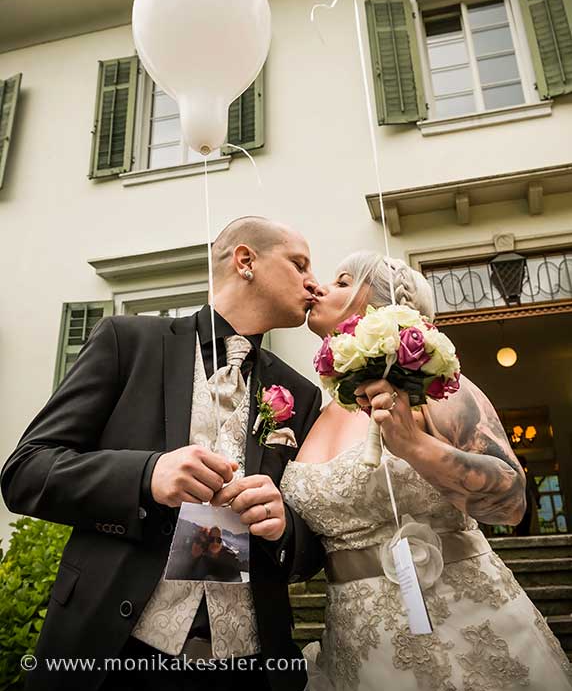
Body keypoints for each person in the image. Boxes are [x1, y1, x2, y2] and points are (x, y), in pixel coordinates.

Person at [1, 216, 325, 691]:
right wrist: (147, 475)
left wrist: (283, 528)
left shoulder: (298, 392)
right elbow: (25, 472)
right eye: (299, 264)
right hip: (113, 652)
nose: (313, 281)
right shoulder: (127, 343)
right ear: (245, 261)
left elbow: (312, 545)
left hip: (251, 666)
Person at [280, 251, 572, 691]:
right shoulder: (315, 412)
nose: (320, 287)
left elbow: (511, 503)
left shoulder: (431, 388)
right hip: (357, 638)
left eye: (341, 282)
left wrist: (415, 446)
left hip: (459, 622)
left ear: (380, 306)